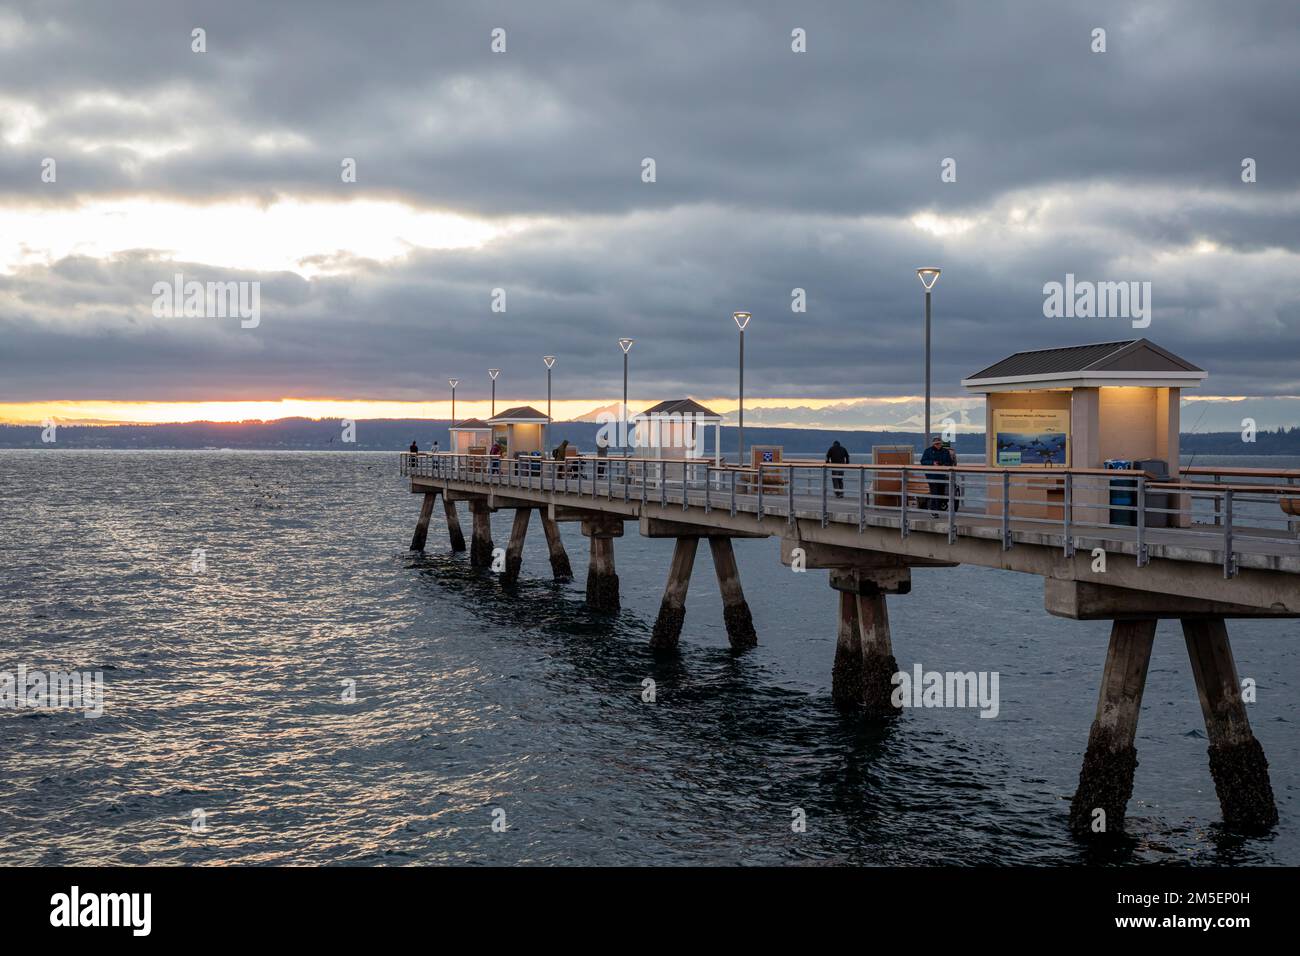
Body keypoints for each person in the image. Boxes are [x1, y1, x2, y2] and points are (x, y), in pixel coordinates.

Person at [920, 436, 957, 514]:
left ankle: (938, 508)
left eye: (939, 443)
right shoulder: (928, 451)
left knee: (941, 492)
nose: (938, 445)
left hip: (942, 475)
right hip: (931, 475)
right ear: (933, 444)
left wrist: (944, 465)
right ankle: (934, 510)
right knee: (934, 492)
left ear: (941, 443)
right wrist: (932, 463)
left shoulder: (945, 451)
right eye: (936, 444)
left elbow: (950, 462)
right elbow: (923, 461)